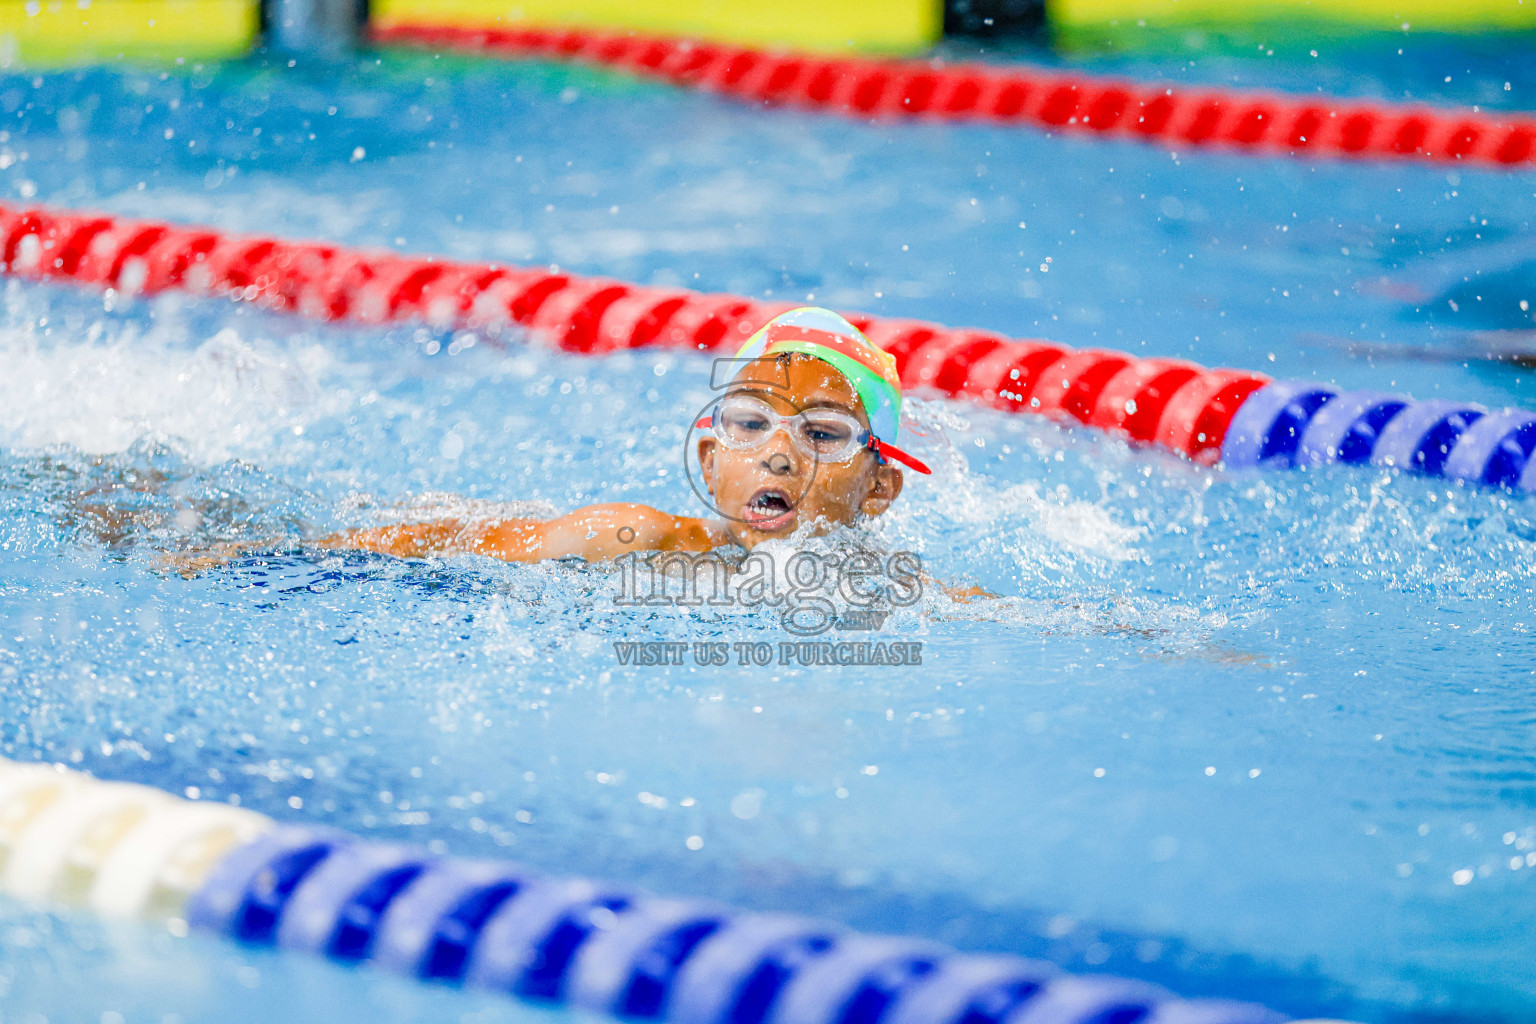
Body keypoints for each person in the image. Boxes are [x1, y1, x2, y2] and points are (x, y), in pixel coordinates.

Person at [253, 307, 931, 568]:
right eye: (749, 424)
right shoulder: (633, 539)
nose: (777, 454)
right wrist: (266, 553)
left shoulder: (887, 586)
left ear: (879, 487)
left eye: (822, 434)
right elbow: (435, 542)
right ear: (708, 457)